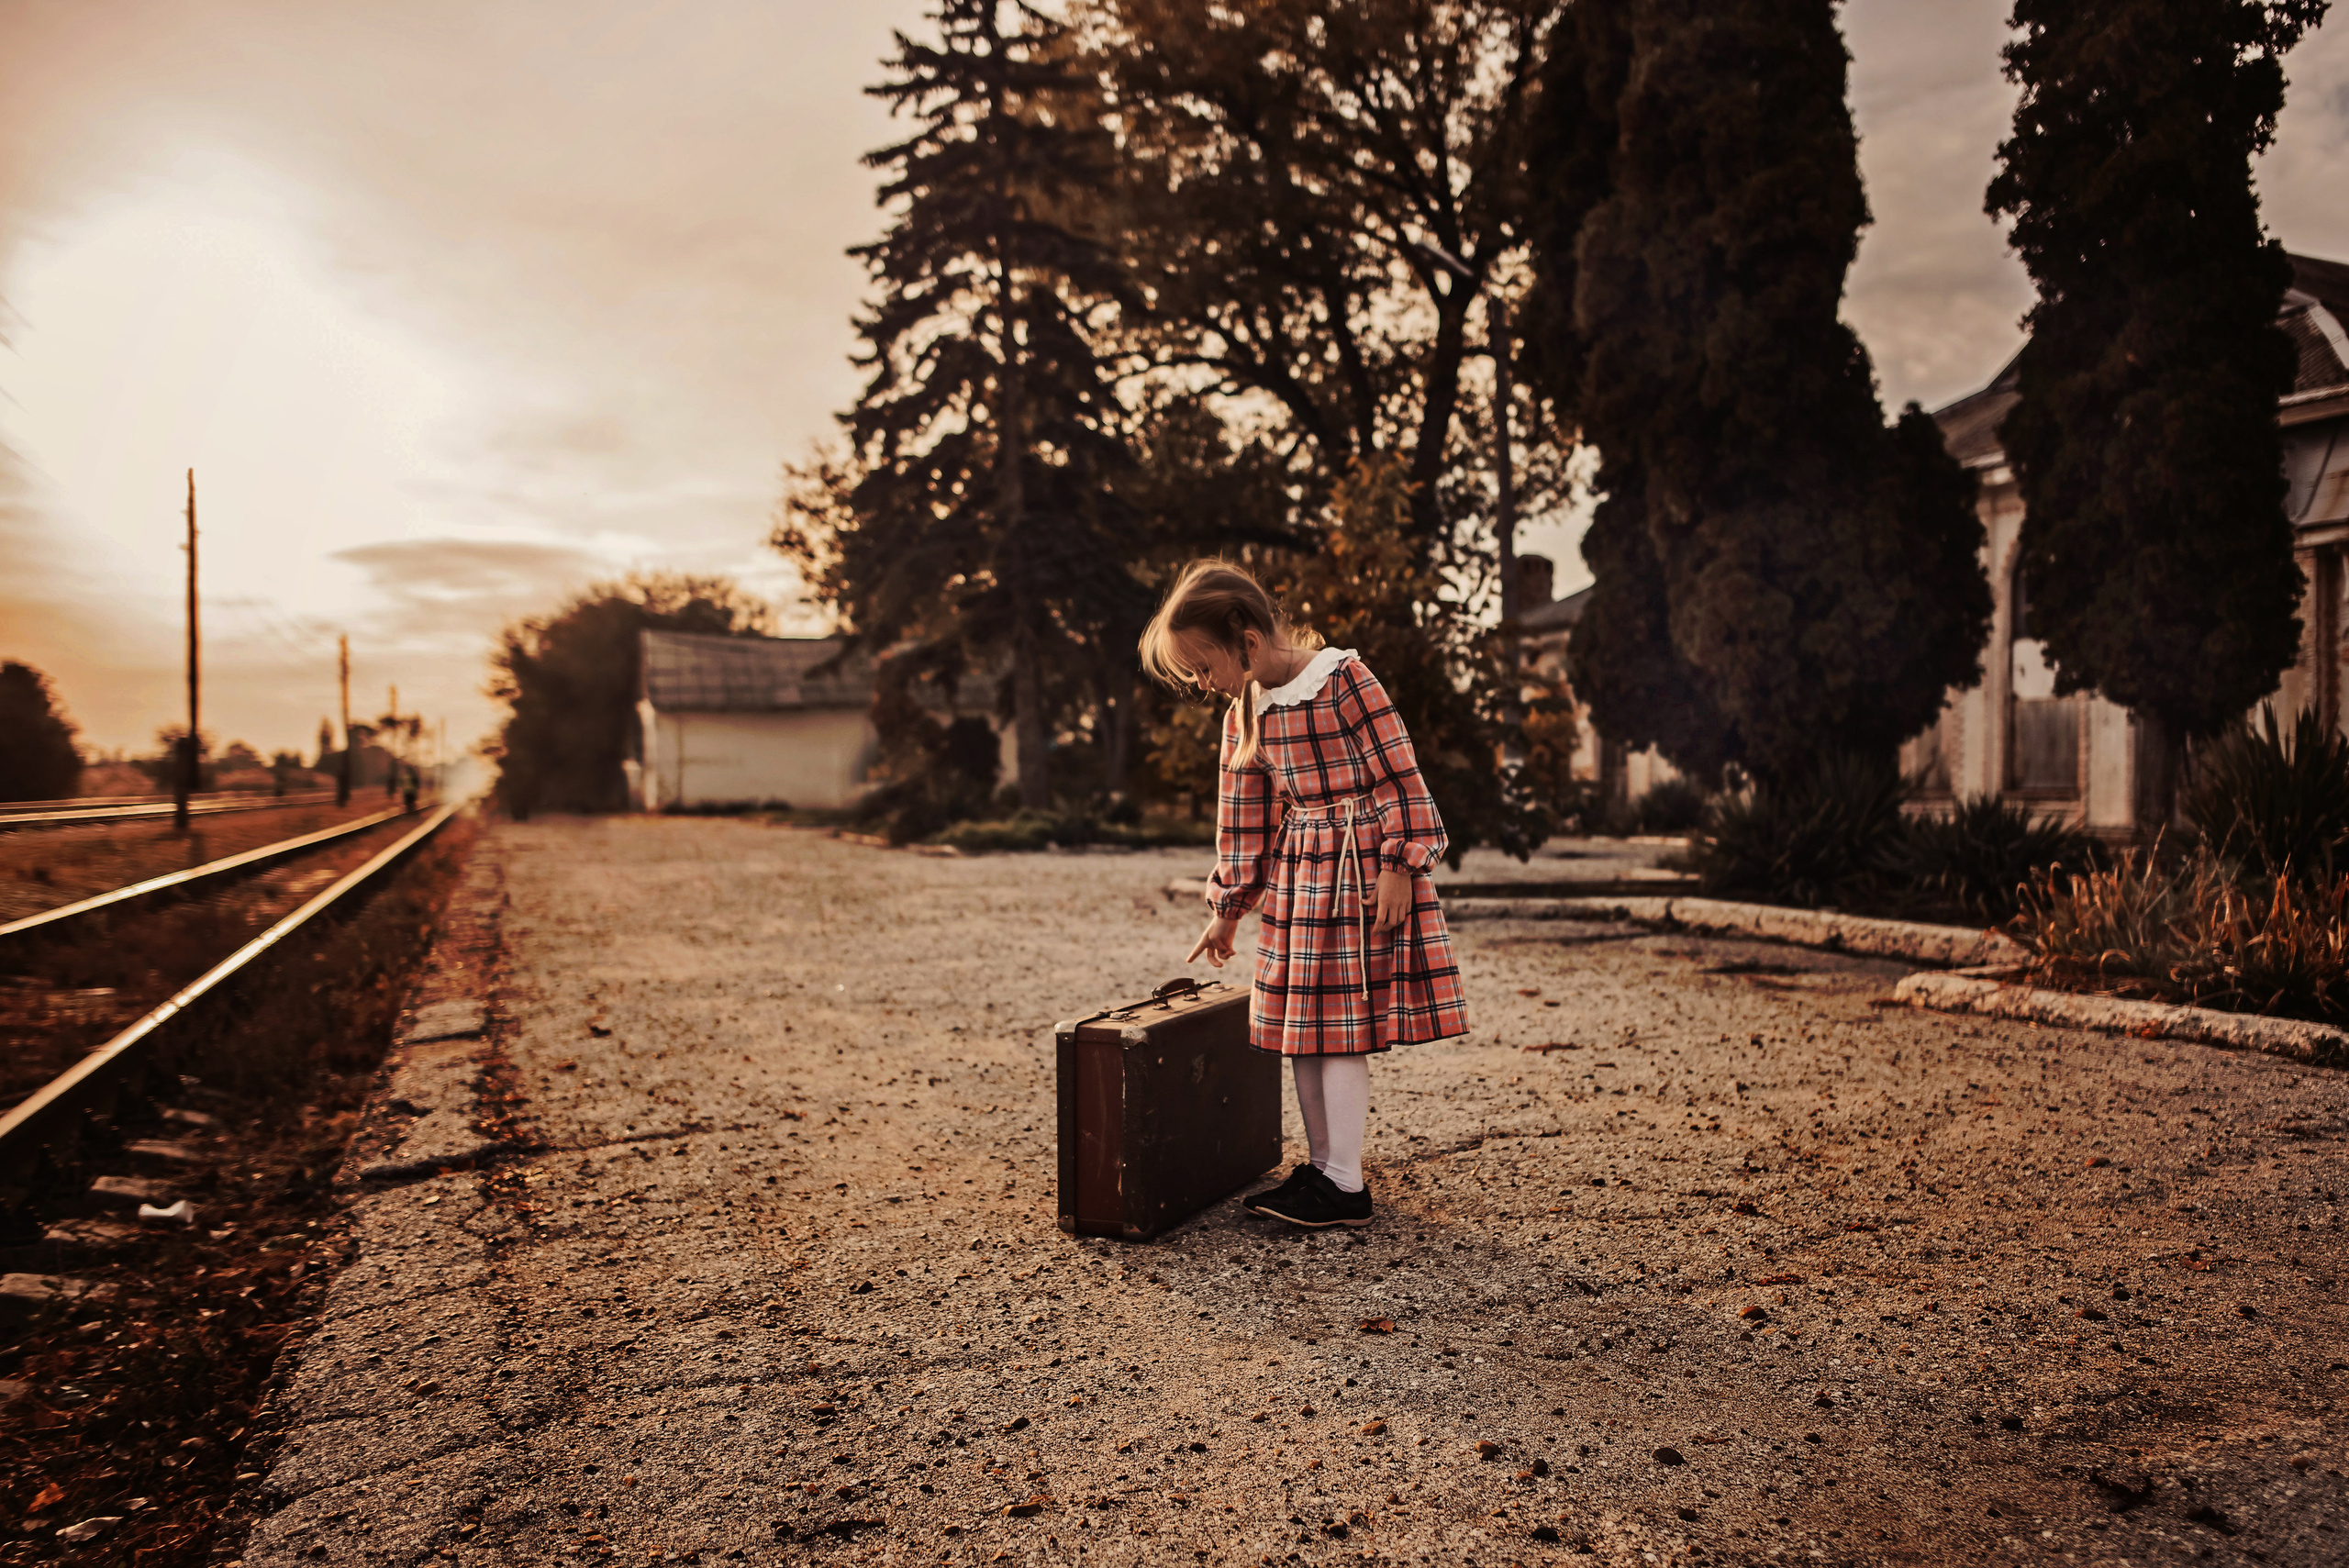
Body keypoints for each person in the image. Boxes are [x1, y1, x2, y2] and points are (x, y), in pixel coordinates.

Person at [1138, 560, 1467, 1229]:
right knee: (1303, 1027)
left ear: (1249, 641)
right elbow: (1245, 818)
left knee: (1341, 1026)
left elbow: (1399, 770)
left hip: (1358, 865)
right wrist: (1228, 911)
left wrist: (1401, 862)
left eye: (1205, 667)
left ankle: (1346, 1179)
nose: (1204, 684)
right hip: (1301, 872)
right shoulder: (1246, 714)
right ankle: (1323, 1169)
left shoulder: (1344, 679)